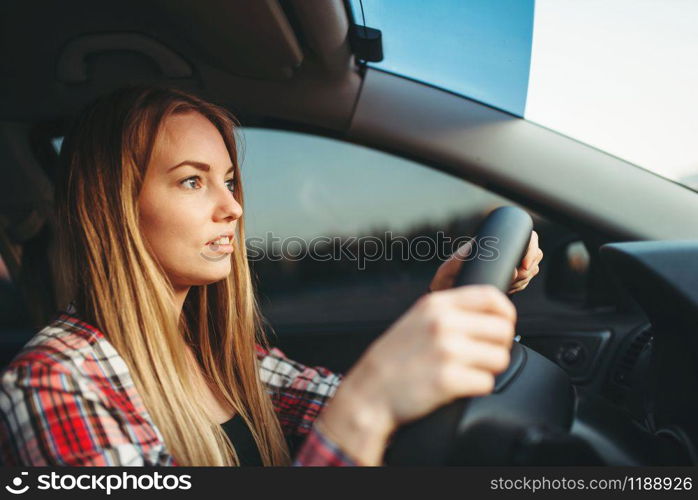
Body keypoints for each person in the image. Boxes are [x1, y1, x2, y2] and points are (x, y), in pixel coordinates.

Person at [0, 86, 543, 466]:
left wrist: (445, 312)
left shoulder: (222, 355)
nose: (233, 207)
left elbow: (371, 410)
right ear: (112, 207)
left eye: (230, 181)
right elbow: (358, 411)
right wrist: (363, 413)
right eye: (192, 182)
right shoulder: (55, 380)